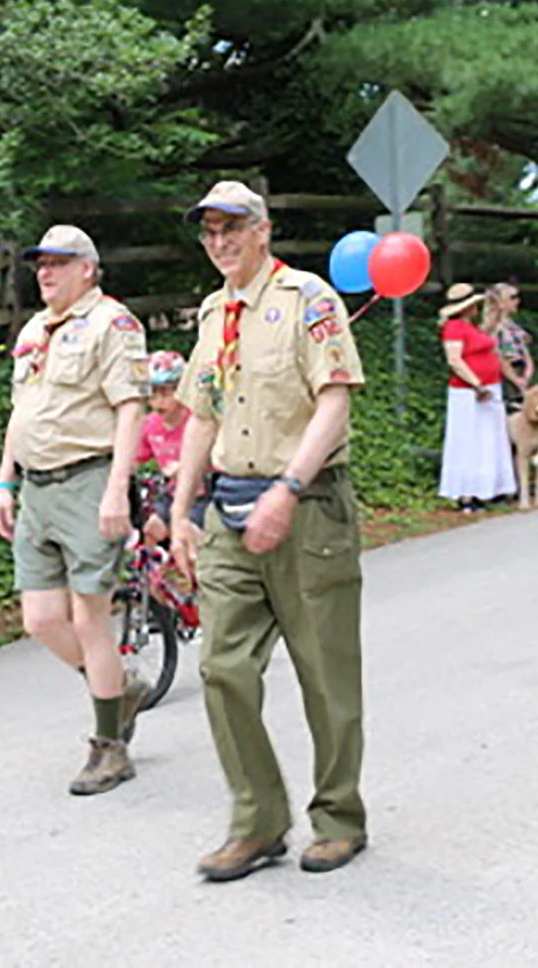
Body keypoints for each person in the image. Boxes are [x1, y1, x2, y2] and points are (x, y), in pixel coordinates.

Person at [165, 181, 368, 883]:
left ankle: (339, 818)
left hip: (308, 510)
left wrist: (288, 488)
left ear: (263, 230)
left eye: (232, 228)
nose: (219, 241)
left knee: (325, 675)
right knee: (222, 667)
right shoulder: (215, 312)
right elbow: (202, 414)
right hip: (229, 510)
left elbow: (335, 400)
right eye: (208, 231)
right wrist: (182, 509)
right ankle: (257, 822)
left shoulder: (308, 299)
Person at [0, 225, 150, 797]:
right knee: (40, 619)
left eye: (58, 263)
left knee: (90, 617)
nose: (45, 273)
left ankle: (110, 747)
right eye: (40, 265)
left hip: (87, 480)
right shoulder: (35, 329)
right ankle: (115, 688)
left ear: (88, 268)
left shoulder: (114, 323)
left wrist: (117, 489)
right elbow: (21, 411)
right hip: (36, 488)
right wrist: (4, 483)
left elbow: (131, 408)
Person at [438, 283, 517, 512]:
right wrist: (476, 384)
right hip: (468, 392)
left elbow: (489, 331)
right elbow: (454, 360)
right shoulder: (454, 328)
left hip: (489, 387)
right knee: (468, 440)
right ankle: (466, 493)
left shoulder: (470, 327)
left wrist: (497, 309)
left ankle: (489, 488)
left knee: (489, 439)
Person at [135, 350, 190, 538]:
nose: (158, 401)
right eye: (153, 394)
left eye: (166, 393)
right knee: (152, 527)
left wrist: (186, 467)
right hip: (169, 492)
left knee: (190, 531)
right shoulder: (150, 424)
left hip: (200, 491)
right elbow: (136, 457)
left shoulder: (195, 421)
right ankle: (155, 563)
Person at [487, 282, 534, 398]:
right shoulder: (495, 327)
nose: (517, 301)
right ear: (500, 301)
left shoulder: (512, 325)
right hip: (507, 376)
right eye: (512, 298)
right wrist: (515, 379)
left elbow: (524, 350)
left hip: (520, 372)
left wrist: (527, 373)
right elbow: (500, 355)